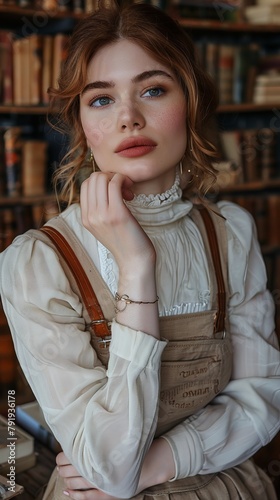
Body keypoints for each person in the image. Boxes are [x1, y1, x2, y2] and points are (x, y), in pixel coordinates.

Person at [1, 2, 280, 499]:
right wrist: (136, 265)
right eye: (102, 100)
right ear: (82, 123)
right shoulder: (36, 262)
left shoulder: (231, 234)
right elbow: (108, 464)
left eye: (153, 90)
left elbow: (262, 398)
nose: (129, 117)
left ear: (190, 101)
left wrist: (156, 465)